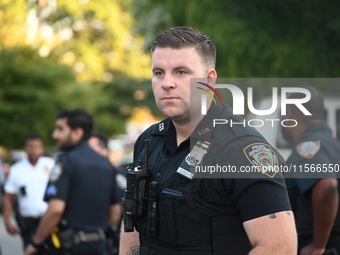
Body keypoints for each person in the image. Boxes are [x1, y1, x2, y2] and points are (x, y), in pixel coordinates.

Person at [120, 26, 297, 255]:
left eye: (181, 72)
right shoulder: (148, 141)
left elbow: (278, 248)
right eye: (159, 72)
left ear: (209, 80)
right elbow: (132, 222)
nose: (167, 83)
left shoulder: (241, 150)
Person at [25, 109, 121, 255]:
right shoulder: (106, 165)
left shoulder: (65, 162)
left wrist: (35, 243)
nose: (54, 135)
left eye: (60, 129)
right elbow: (115, 211)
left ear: (77, 132)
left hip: (71, 247)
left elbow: (55, 209)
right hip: (101, 247)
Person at [282, 87, 340, 255]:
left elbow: (327, 185)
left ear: (290, 114)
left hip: (322, 247)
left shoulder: (307, 148)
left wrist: (318, 245)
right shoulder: (334, 147)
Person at [2, 134, 54, 252]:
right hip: (28, 222)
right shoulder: (16, 169)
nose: (33, 150)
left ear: (42, 148)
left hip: (48, 220)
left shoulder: (51, 165)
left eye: (37, 146)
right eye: (30, 146)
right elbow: (9, 197)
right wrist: (7, 221)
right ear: (25, 148)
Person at [88, 131, 126, 255]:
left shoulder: (117, 175)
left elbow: (116, 210)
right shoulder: (88, 177)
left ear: (105, 151)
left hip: (115, 238)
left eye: (91, 150)